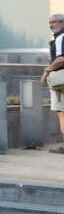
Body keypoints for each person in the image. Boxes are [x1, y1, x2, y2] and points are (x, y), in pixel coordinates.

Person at [42, 14, 64, 154]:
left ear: (62, 23)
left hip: (61, 81)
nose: (51, 25)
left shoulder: (61, 38)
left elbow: (61, 58)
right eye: (49, 22)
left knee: (62, 112)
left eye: (54, 22)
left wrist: (47, 71)